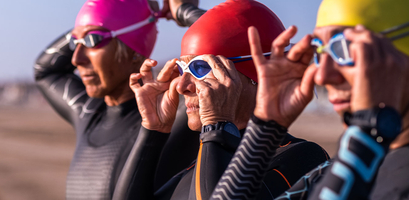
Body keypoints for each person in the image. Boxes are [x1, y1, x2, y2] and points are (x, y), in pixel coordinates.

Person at [125, 0, 329, 199]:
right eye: (181, 68)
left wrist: (217, 124)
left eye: (201, 68)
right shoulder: (203, 160)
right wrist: (152, 132)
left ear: (256, 75)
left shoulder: (304, 158)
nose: (181, 85)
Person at [210, 0, 409, 199]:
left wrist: (368, 126)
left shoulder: (354, 164)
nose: (321, 76)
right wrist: (266, 128)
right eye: (320, 51)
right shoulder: (335, 171)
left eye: (345, 48)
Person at [34, 0, 201, 199]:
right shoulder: (88, 112)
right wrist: (92, 24)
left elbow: (239, 45)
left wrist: (185, 11)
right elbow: (45, 70)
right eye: (74, 43)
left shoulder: (173, 113)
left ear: (134, 52)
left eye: (92, 41)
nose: (76, 59)